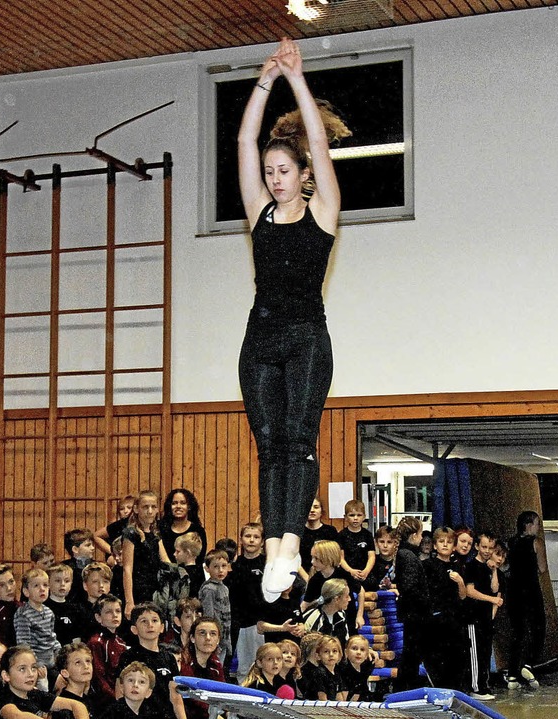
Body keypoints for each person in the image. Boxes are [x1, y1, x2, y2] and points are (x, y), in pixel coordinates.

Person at [237, 37, 349, 602]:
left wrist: (297, 79)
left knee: (299, 442)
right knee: (270, 445)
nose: (274, 178)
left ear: (304, 173)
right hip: (260, 337)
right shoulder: (260, 213)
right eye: (268, 171)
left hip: (306, 336)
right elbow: (243, 137)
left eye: (284, 170)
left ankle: (288, 545)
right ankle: (278, 543)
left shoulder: (323, 212)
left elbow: (321, 145)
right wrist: (264, 77)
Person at [117, 602, 187, 719]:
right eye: (144, 621)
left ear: (162, 627)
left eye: (154, 621)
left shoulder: (169, 658)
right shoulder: (128, 656)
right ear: (134, 629)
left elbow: (176, 697)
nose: (150, 625)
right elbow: (120, 692)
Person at [421, 526, 467, 689]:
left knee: (456, 656)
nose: (445, 545)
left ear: (454, 546)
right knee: (436, 656)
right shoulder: (427, 565)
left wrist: (460, 581)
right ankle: (438, 687)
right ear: (435, 545)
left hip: (454, 618)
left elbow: (463, 595)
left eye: (449, 542)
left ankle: (454, 689)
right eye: (441, 542)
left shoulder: (458, 566)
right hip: (435, 618)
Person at [0, 645, 89, 719]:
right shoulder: (2, 698)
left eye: (33, 668)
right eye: (22, 669)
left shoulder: (34, 694)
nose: (30, 674)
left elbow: (77, 705)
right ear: (6, 675)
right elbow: (17, 715)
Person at [506, 510, 546, 690]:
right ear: (529, 525)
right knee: (538, 627)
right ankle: (528, 664)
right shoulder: (536, 543)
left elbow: (505, 565)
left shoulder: (511, 542)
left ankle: (512, 674)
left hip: (513, 591)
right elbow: (543, 568)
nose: (538, 527)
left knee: (518, 632)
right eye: (537, 523)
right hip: (530, 590)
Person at [393, 517, 430, 692]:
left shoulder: (406, 553)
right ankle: (405, 687)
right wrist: (423, 601)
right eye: (421, 533)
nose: (422, 538)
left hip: (413, 611)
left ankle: (406, 686)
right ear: (414, 535)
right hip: (414, 612)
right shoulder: (407, 555)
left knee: (412, 653)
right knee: (411, 653)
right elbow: (409, 586)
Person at [464, 530, 502, 700]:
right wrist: (491, 599)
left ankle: (484, 684)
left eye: (490, 548)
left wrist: (494, 571)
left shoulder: (489, 567)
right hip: (473, 616)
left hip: (486, 617)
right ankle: (476, 687)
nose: (487, 551)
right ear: (477, 546)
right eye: (484, 547)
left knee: (486, 652)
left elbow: (495, 588)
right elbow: (470, 591)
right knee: (476, 653)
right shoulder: (471, 566)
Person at [228, 522, 267, 683]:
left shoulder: (267, 564)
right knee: (244, 667)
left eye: (256, 537)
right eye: (248, 536)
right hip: (240, 623)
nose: (251, 540)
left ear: (262, 542)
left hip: (261, 623)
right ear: (241, 540)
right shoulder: (234, 567)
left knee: (262, 665)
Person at [122, 491, 170, 620]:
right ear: (136, 509)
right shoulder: (131, 533)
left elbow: (166, 562)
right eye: (145, 507)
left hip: (154, 590)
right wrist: (129, 601)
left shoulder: (155, 533)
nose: (150, 511)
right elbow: (127, 569)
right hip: (138, 589)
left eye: (153, 507)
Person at [13, 568, 61, 690]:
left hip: (51, 659)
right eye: (36, 586)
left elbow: (52, 636)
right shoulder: (24, 614)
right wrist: (35, 664)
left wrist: (59, 651)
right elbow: (24, 644)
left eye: (45, 585)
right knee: (43, 687)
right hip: (37, 661)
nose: (42, 589)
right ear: (26, 591)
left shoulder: (49, 612)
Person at [180, 618, 226, 719]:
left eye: (213, 634)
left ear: (218, 640)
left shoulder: (217, 665)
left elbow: (222, 695)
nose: (208, 638)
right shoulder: (182, 663)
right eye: (202, 633)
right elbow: (191, 699)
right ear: (192, 638)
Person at [87, 594, 127, 702]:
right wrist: (116, 698)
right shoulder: (96, 642)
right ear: (98, 617)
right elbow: (98, 678)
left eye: (118, 611)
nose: (115, 615)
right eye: (109, 612)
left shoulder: (121, 643)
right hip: (104, 700)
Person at [198, 551, 232, 662]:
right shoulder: (209, 589)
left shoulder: (224, 588)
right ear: (207, 568)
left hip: (224, 634)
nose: (220, 570)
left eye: (224, 566)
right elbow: (208, 614)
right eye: (216, 567)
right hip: (214, 636)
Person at [159, 490, 208, 565]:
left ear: (189, 506)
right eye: (174, 503)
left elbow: (200, 558)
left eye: (183, 503)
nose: (178, 506)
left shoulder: (198, 530)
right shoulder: (161, 529)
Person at [54, 642, 99, 718]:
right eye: (78, 662)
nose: (86, 666)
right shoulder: (64, 705)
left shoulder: (89, 699)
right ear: (65, 673)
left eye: (88, 661)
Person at [302, 578, 351, 647]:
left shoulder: (341, 615)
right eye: (347, 596)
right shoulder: (313, 617)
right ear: (336, 599)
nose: (349, 599)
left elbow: (346, 643)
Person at [337, 499, 375, 584]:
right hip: (347, 573)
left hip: (365, 573)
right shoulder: (341, 535)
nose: (355, 518)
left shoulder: (367, 535)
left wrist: (366, 571)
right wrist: (350, 571)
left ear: (364, 517)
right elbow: (340, 558)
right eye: (352, 515)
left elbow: (371, 556)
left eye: (359, 515)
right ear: (345, 517)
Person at [339, 635, 374, 701]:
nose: (358, 652)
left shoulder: (366, 667)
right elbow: (344, 700)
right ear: (346, 652)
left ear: (366, 655)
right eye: (354, 648)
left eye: (362, 650)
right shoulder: (343, 670)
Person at [313, 635, 346, 701]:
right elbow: (322, 698)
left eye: (334, 651)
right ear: (318, 656)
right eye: (326, 651)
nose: (331, 654)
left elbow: (339, 696)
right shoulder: (320, 673)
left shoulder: (337, 672)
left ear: (340, 655)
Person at [174, 533, 205, 599]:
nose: (174, 554)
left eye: (178, 551)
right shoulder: (201, 570)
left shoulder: (181, 572)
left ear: (188, 553)